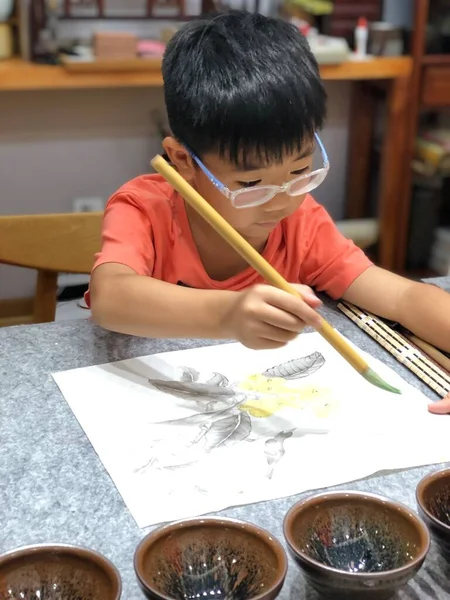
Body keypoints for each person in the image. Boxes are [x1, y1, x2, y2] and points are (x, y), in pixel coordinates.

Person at [88, 11, 450, 413]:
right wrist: (229, 314)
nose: (281, 201)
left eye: (299, 171)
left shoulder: (301, 223)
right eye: (249, 184)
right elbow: (111, 298)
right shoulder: (145, 208)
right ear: (182, 161)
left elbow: (402, 297)